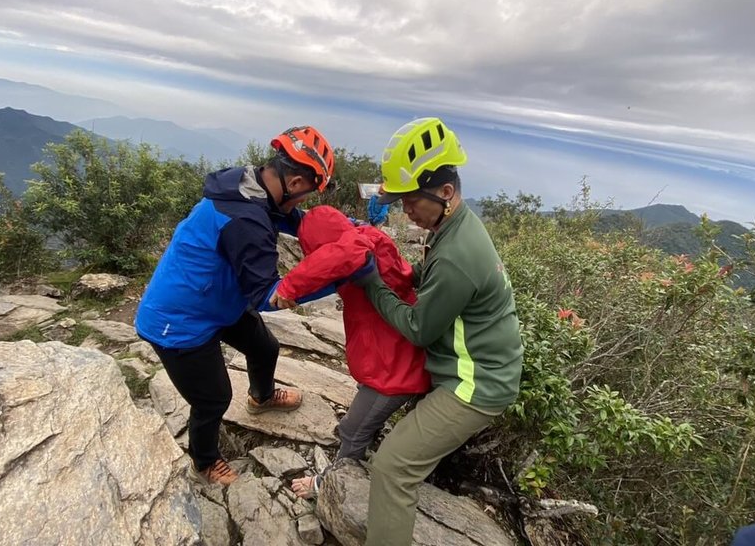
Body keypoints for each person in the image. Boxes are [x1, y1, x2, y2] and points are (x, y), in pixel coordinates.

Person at [353, 117, 525, 545]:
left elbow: (417, 329)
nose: (405, 210)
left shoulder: (456, 254)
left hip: (475, 385)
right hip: (476, 369)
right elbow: (434, 288)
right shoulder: (454, 227)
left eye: (411, 201)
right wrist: (401, 272)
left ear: (445, 193)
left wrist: (372, 282)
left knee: (392, 467)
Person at [135, 125, 336, 487]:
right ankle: (205, 462)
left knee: (265, 346)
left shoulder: (250, 185)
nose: (304, 201)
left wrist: (338, 230)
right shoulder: (245, 219)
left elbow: (285, 216)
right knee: (214, 398)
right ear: (293, 183)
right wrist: (336, 277)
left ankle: (261, 398)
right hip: (178, 321)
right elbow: (269, 294)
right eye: (307, 193)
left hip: (215, 300)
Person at [268, 204, 431, 498]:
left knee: (352, 430)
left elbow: (342, 252)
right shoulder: (370, 238)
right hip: (392, 358)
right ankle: (369, 433)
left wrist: (289, 286)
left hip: (393, 372)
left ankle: (330, 483)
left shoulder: (357, 249)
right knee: (362, 418)